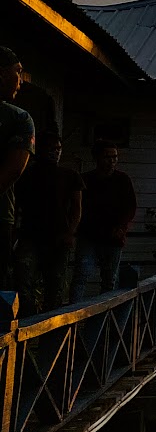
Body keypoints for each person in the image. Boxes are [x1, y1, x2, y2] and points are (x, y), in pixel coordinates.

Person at [14, 132, 82, 314]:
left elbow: (77, 208)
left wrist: (70, 232)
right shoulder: (26, 175)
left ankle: (51, 333)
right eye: (51, 149)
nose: (55, 153)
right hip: (31, 235)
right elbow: (17, 205)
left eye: (58, 149)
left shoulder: (70, 175)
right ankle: (28, 324)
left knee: (55, 287)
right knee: (24, 283)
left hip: (58, 238)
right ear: (40, 150)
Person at [74, 140, 137, 301]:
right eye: (107, 157)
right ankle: (73, 317)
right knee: (81, 276)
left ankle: (105, 319)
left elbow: (130, 207)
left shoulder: (122, 180)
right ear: (97, 158)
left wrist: (121, 227)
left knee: (110, 280)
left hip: (112, 236)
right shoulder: (86, 180)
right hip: (89, 235)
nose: (111, 161)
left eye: (114, 157)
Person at [0, 46, 35, 295]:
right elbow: (13, 171)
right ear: (2, 74)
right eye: (18, 72)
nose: (21, 80)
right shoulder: (19, 119)